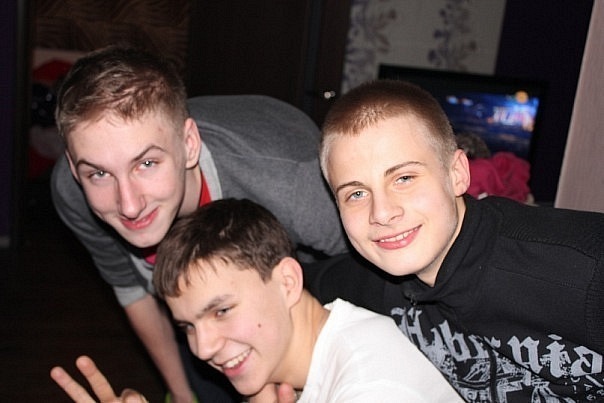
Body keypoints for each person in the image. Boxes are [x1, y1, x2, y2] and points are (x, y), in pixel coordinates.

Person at [50, 45, 348, 403]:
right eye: (99, 174)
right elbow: (133, 292)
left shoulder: (292, 184)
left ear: (189, 144)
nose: (128, 205)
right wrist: (182, 396)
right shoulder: (74, 192)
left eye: (146, 164)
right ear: (74, 168)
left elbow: (375, 290)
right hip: (199, 309)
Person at [293, 79, 604, 402]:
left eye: (404, 178)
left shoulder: (584, 271)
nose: (382, 213)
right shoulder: (378, 276)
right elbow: (283, 284)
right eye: (356, 194)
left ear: (457, 173)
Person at [51, 198, 463, 402]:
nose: (202, 348)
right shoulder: (324, 357)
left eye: (221, 310)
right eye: (188, 326)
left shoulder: (372, 390)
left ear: (287, 281)